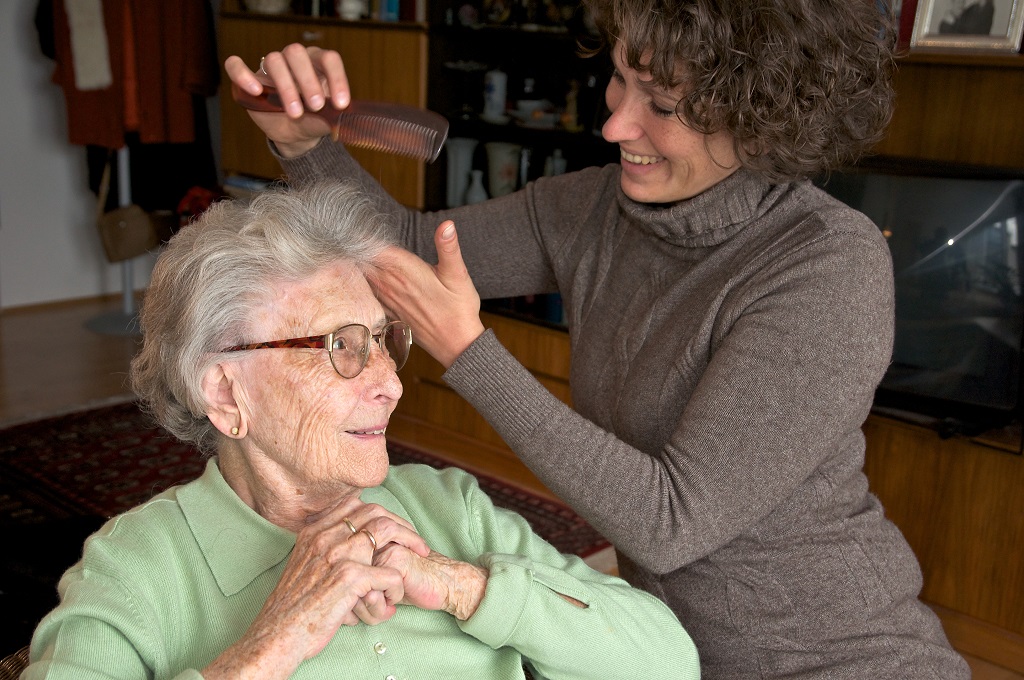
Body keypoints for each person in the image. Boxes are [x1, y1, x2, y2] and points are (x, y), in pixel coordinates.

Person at [224, 0, 972, 676]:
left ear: (761, 115)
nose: (615, 124)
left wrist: (470, 354)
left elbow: (671, 522)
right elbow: (413, 251)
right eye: (620, 80)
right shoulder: (593, 209)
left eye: (664, 104)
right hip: (661, 648)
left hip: (834, 657)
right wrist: (302, 145)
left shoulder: (825, 265)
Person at [23, 181, 700, 679]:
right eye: (342, 346)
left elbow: (668, 663)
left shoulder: (447, 510)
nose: (392, 381)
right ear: (226, 394)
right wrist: (272, 645)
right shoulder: (138, 569)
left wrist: (467, 587)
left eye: (383, 340)